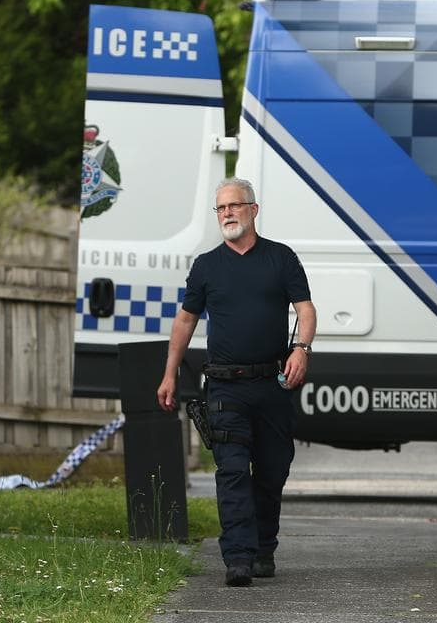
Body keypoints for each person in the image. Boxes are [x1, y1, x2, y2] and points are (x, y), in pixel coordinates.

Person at [157, 177, 316, 586]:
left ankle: (264, 548)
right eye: (221, 208)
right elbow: (186, 320)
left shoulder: (281, 259)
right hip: (225, 388)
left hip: (271, 384)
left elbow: (306, 309)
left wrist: (300, 348)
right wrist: (170, 372)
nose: (226, 214)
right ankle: (238, 557)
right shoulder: (207, 266)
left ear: (253, 210)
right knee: (230, 471)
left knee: (272, 470)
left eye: (234, 206)